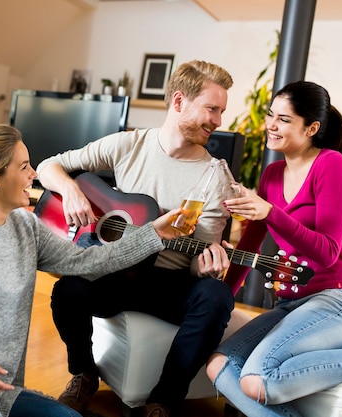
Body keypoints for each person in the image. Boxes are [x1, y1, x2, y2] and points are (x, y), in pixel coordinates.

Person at [0, 124, 190, 417]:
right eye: (24, 167)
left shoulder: (26, 226)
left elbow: (88, 262)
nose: (33, 175)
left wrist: (154, 234)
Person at [36, 60, 237, 417]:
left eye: (221, 111)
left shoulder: (213, 177)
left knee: (216, 296)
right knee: (67, 291)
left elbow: (199, 255)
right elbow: (48, 166)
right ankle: (84, 374)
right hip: (116, 270)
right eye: (211, 108)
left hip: (170, 282)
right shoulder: (128, 145)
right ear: (179, 102)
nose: (218, 121)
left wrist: (205, 269)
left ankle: (163, 400)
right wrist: (70, 190)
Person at [205, 80, 342, 417]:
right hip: (291, 304)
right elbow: (249, 244)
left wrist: (272, 212)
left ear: (311, 127)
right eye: (271, 115)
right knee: (219, 365)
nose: (271, 125)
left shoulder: (331, 165)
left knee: (258, 379)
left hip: (339, 299)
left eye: (284, 119)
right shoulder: (272, 174)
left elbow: (328, 251)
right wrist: (223, 300)